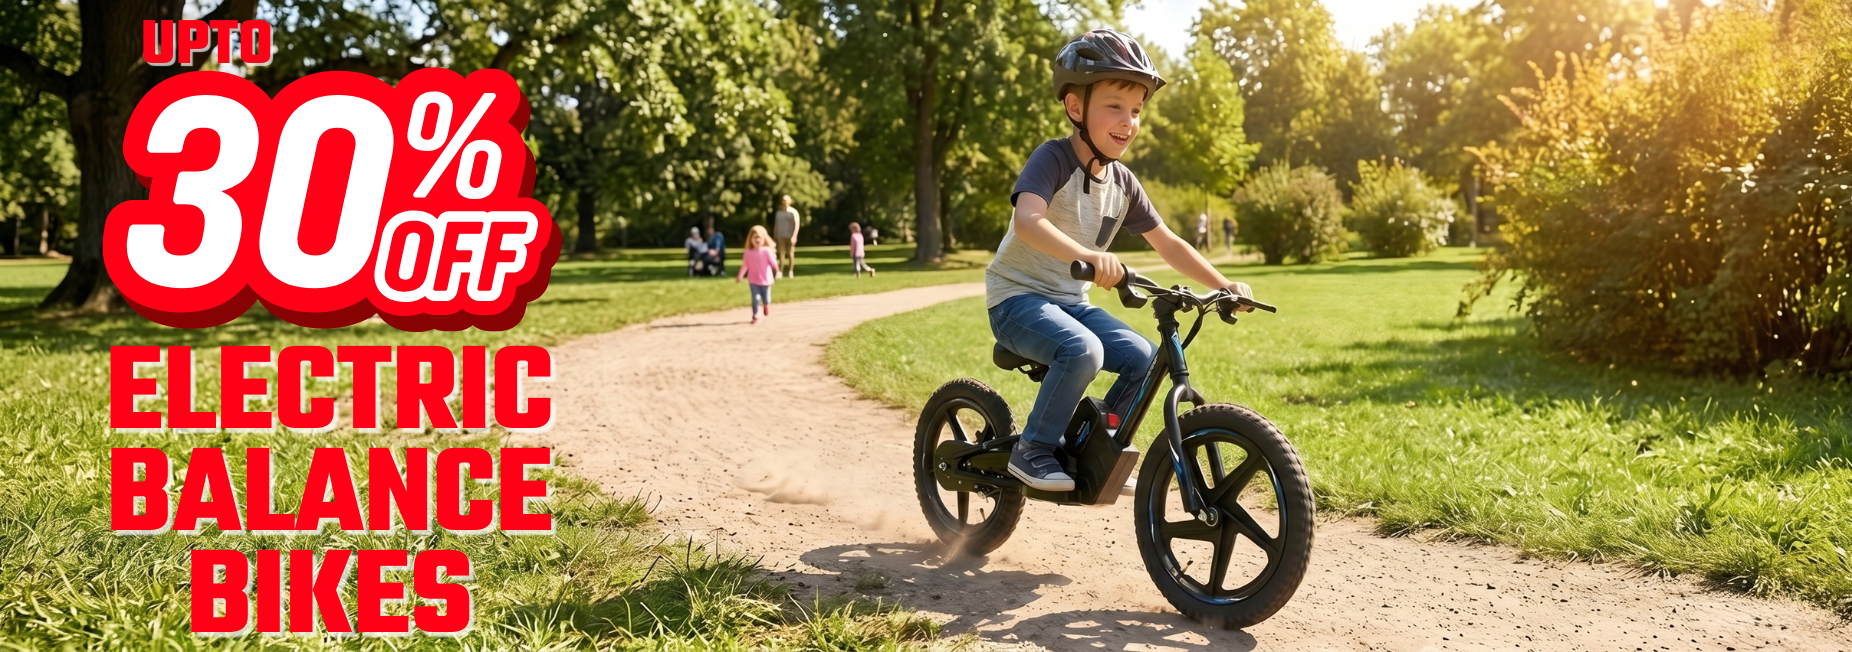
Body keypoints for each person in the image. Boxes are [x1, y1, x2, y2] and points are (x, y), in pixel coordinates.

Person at [989, 29, 1256, 492]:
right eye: (1114, 106)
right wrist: (1089, 256)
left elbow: (1169, 242)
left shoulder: (1123, 183)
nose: (1128, 121)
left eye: (1135, 110)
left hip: (1070, 303)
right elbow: (1028, 221)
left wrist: (1223, 285)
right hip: (1016, 300)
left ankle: (1096, 451)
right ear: (1076, 107)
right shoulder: (1052, 159)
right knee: (1083, 351)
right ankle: (1033, 449)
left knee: (1144, 359)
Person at [736, 225, 779, 323]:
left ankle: (766, 305)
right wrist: (740, 276)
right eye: (755, 237)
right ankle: (755, 314)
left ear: (764, 239)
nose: (757, 240)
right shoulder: (748, 252)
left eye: (759, 237)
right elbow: (745, 265)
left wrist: (776, 268)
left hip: (766, 280)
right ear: (750, 239)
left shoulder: (767, 251)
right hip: (753, 280)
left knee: (766, 299)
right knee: (755, 298)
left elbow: (772, 262)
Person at [771, 195, 801, 278]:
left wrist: (794, 236)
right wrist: (775, 236)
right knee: (781, 254)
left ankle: (790, 271)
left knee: (790, 253)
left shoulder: (793, 212)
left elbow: (797, 224)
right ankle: (780, 271)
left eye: (786, 200)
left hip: (790, 236)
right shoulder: (779, 213)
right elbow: (776, 225)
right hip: (780, 236)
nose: (784, 202)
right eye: (783, 200)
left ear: (790, 201)